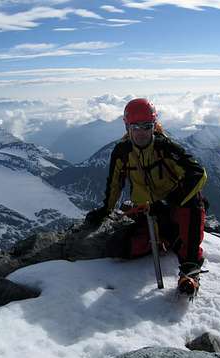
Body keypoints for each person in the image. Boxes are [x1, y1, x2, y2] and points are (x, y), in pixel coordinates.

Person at [85, 98, 208, 296]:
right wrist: (105, 211)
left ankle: (190, 269)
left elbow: (198, 174)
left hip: (177, 206)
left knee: (193, 206)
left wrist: (169, 201)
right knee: (122, 248)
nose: (141, 132)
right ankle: (172, 239)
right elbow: (115, 184)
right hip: (148, 212)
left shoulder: (165, 147)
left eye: (147, 126)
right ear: (127, 127)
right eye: (136, 127)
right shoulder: (122, 152)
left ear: (154, 126)